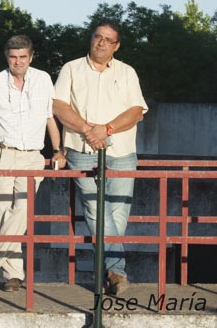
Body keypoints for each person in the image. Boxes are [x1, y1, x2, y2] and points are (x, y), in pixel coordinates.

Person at [52, 19, 147, 296]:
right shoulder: (71, 68)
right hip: (82, 151)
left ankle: (109, 271)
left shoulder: (127, 72)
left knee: (118, 212)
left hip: (121, 151)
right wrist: (87, 130)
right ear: (91, 39)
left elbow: (136, 111)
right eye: (98, 37)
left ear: (116, 45)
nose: (102, 42)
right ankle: (116, 271)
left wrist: (105, 129)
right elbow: (58, 105)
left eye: (108, 39)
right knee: (96, 211)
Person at [0, 35, 66, 292]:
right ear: (7, 57)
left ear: (31, 57)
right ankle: (14, 275)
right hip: (1, 153)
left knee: (23, 210)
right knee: (2, 213)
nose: (18, 62)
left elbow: (50, 119)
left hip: (32, 156)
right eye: (13, 57)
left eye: (23, 57)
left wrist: (58, 150)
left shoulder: (44, 79)